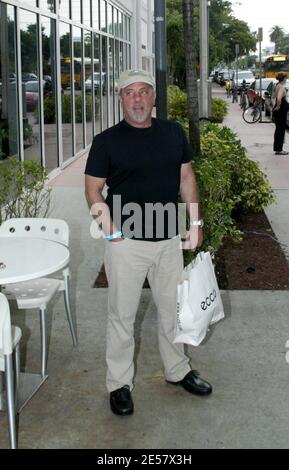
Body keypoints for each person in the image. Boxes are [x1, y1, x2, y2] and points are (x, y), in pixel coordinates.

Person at [84, 69, 212, 416]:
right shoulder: (106, 141)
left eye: (144, 92)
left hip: (169, 238)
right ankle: (119, 384)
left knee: (173, 310)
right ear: (121, 99)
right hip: (126, 243)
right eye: (130, 93)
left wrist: (195, 222)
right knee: (121, 316)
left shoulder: (173, 133)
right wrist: (110, 231)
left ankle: (177, 369)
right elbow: (93, 188)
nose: (137, 99)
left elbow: (186, 176)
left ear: (154, 97)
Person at [272, 72, 289, 155]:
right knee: (281, 130)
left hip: (279, 111)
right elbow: (278, 98)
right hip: (281, 111)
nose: (286, 79)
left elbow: (274, 97)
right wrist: (278, 106)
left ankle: (277, 149)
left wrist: (275, 106)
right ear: (284, 78)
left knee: (278, 130)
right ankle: (279, 149)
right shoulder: (281, 87)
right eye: (286, 78)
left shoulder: (277, 85)